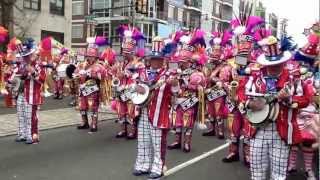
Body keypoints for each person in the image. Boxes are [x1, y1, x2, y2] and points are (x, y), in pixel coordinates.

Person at [243, 35, 309, 180]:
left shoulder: (293, 79)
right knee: (256, 171)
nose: (273, 67)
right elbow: (242, 96)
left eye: (277, 64)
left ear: (283, 62)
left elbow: (305, 99)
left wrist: (289, 99)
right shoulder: (255, 77)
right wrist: (251, 104)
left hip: (281, 131)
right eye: (270, 64)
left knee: (279, 174)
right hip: (257, 130)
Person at [133, 36, 178, 179]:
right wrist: (137, 88)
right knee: (143, 140)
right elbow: (134, 87)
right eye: (153, 59)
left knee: (158, 143)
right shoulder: (142, 72)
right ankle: (142, 165)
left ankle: (158, 168)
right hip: (143, 112)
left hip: (160, 113)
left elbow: (177, 92)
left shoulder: (169, 74)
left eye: (158, 59)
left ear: (163, 60)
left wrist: (175, 83)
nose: (155, 62)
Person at [9, 39, 46, 144]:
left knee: (31, 116)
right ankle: (22, 134)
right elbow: (14, 77)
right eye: (24, 56)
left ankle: (33, 136)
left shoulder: (38, 65)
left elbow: (42, 80)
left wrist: (33, 72)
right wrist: (11, 78)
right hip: (21, 93)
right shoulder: (21, 65)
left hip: (32, 95)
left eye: (27, 56)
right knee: (21, 115)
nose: (25, 58)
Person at [76, 42, 104, 133]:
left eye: (92, 56)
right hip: (82, 87)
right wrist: (76, 74)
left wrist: (91, 74)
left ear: (96, 57)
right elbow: (76, 72)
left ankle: (94, 123)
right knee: (82, 106)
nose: (90, 58)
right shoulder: (82, 64)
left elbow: (102, 77)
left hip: (93, 89)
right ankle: (85, 122)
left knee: (93, 107)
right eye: (88, 56)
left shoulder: (99, 66)